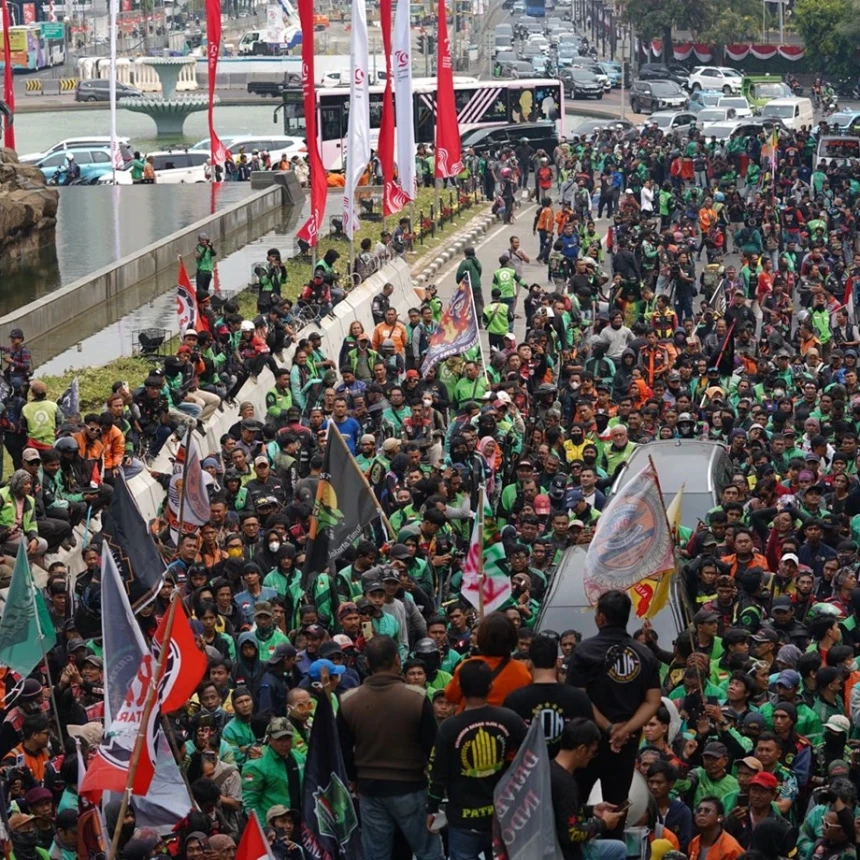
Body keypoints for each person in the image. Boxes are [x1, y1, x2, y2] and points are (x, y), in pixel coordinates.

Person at [337, 635, 443, 860]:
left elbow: (344, 750)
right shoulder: (416, 697)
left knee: (376, 854)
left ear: (367, 664)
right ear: (397, 660)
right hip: (411, 786)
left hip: (370, 788)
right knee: (428, 851)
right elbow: (431, 745)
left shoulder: (348, 701)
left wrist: (355, 778)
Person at [566, 590, 661, 805]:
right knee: (617, 806)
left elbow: (578, 699)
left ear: (601, 618)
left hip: (587, 743)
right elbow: (653, 701)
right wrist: (625, 731)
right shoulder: (645, 654)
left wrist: (610, 728)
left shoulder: (583, 651)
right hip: (626, 744)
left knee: (577, 805)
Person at [427, 659, 526, 860]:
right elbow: (530, 756)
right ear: (490, 686)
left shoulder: (449, 727)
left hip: (463, 821)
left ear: (461, 688)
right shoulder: (510, 720)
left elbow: (438, 774)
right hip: (501, 818)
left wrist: (432, 808)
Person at [551, 718, 629, 860]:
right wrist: (603, 824)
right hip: (567, 853)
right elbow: (572, 834)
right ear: (581, 749)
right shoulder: (566, 785)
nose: (592, 757)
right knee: (620, 849)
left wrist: (590, 810)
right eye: (592, 752)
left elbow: (560, 811)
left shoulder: (548, 769)